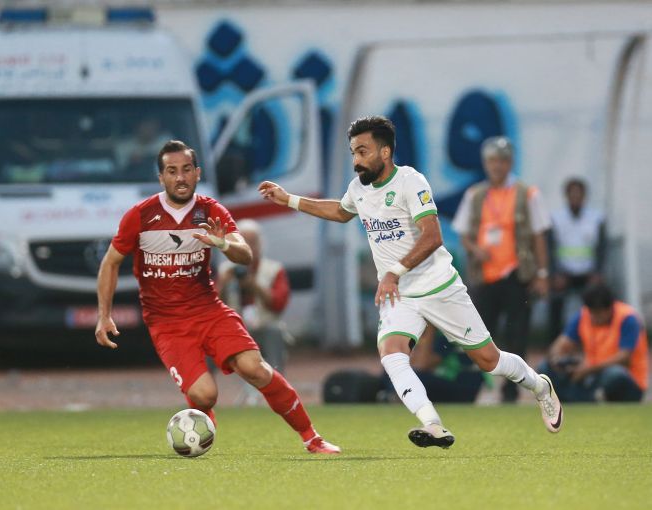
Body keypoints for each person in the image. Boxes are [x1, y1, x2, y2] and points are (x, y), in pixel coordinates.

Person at [258, 116, 562, 449]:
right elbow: (341, 212)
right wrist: (289, 199)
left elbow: (433, 236)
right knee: (392, 355)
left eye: (363, 151)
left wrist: (393, 271)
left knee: (489, 360)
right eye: (353, 152)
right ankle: (432, 424)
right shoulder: (358, 189)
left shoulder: (410, 181)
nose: (356, 160)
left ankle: (539, 386)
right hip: (399, 295)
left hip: (438, 286)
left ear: (385, 152)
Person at [95, 140, 339, 454]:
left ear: (197, 173)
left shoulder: (211, 211)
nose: (180, 177)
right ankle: (203, 423)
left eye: (186, 169)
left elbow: (245, 254)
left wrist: (222, 244)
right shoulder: (141, 216)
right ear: (161, 177)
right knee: (205, 395)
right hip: (167, 322)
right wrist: (104, 315)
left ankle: (311, 437)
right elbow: (110, 263)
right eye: (172, 171)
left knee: (255, 368)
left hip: (209, 309)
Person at [451, 136, 551, 402]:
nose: (497, 166)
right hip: (484, 276)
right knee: (478, 335)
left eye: (502, 161)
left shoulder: (527, 193)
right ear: (485, 163)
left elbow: (539, 235)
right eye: (492, 161)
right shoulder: (475, 195)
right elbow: (463, 234)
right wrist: (475, 249)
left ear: (511, 162)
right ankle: (472, 388)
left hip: (517, 275)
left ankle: (510, 391)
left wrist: (542, 274)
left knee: (517, 334)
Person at [216, 219, 291, 405]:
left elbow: (279, 304)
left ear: (261, 244)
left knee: (275, 332)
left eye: (253, 242)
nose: (249, 246)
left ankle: (278, 390)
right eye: (244, 241)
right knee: (207, 339)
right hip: (235, 329)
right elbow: (212, 305)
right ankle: (204, 391)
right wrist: (224, 284)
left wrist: (255, 286)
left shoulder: (274, 269)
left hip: (264, 326)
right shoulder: (226, 270)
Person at [539, 282, 648, 402]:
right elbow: (560, 344)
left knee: (614, 374)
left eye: (598, 313)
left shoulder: (627, 318)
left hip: (628, 380)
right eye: (591, 312)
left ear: (610, 308)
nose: (593, 317)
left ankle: (586, 398)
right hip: (591, 375)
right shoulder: (584, 315)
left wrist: (588, 370)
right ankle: (575, 400)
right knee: (544, 368)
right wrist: (558, 361)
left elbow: (624, 358)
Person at [548, 178, 606, 340]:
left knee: (597, 302)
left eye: (579, 194)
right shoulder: (556, 219)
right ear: (566, 196)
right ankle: (555, 341)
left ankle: (593, 340)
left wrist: (597, 273)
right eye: (572, 194)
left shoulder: (596, 218)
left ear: (584, 196)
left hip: (588, 273)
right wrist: (555, 274)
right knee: (555, 301)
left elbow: (602, 248)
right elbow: (550, 249)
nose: (575, 197)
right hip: (564, 273)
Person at [380, 325, 488, 403]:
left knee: (417, 377)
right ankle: (393, 395)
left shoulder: (447, 333)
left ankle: (394, 396)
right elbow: (409, 362)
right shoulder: (421, 333)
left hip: (463, 384)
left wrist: (430, 328)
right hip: (440, 379)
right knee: (390, 370)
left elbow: (422, 365)